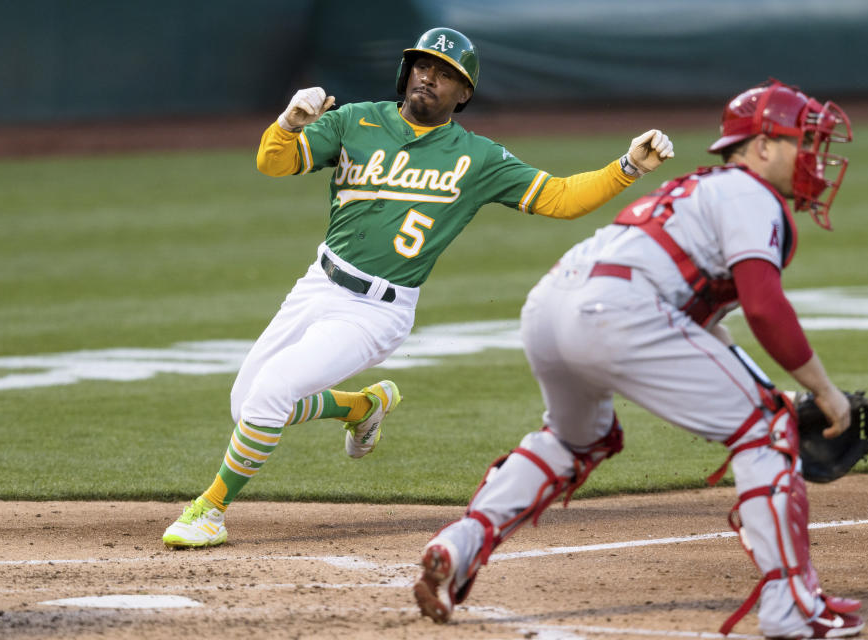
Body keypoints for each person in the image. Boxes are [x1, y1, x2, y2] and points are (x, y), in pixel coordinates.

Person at [162, 26, 674, 549]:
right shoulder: (355, 120)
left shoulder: (477, 157)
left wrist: (628, 166)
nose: (430, 77)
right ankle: (360, 408)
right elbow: (274, 163)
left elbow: (561, 198)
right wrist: (288, 124)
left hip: (376, 310)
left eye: (447, 74)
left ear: (464, 93)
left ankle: (210, 510)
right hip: (317, 284)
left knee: (270, 396)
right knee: (246, 405)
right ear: (408, 72)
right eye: (424, 66)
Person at [413, 79, 864, 639]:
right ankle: (791, 607)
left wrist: (776, 392)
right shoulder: (752, 195)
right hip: (618, 310)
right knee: (768, 428)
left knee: (574, 439)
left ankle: (460, 543)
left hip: (550, 305)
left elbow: (702, 328)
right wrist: (824, 390)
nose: (815, 161)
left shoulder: (698, 190)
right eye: (804, 142)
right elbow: (766, 309)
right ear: (764, 146)